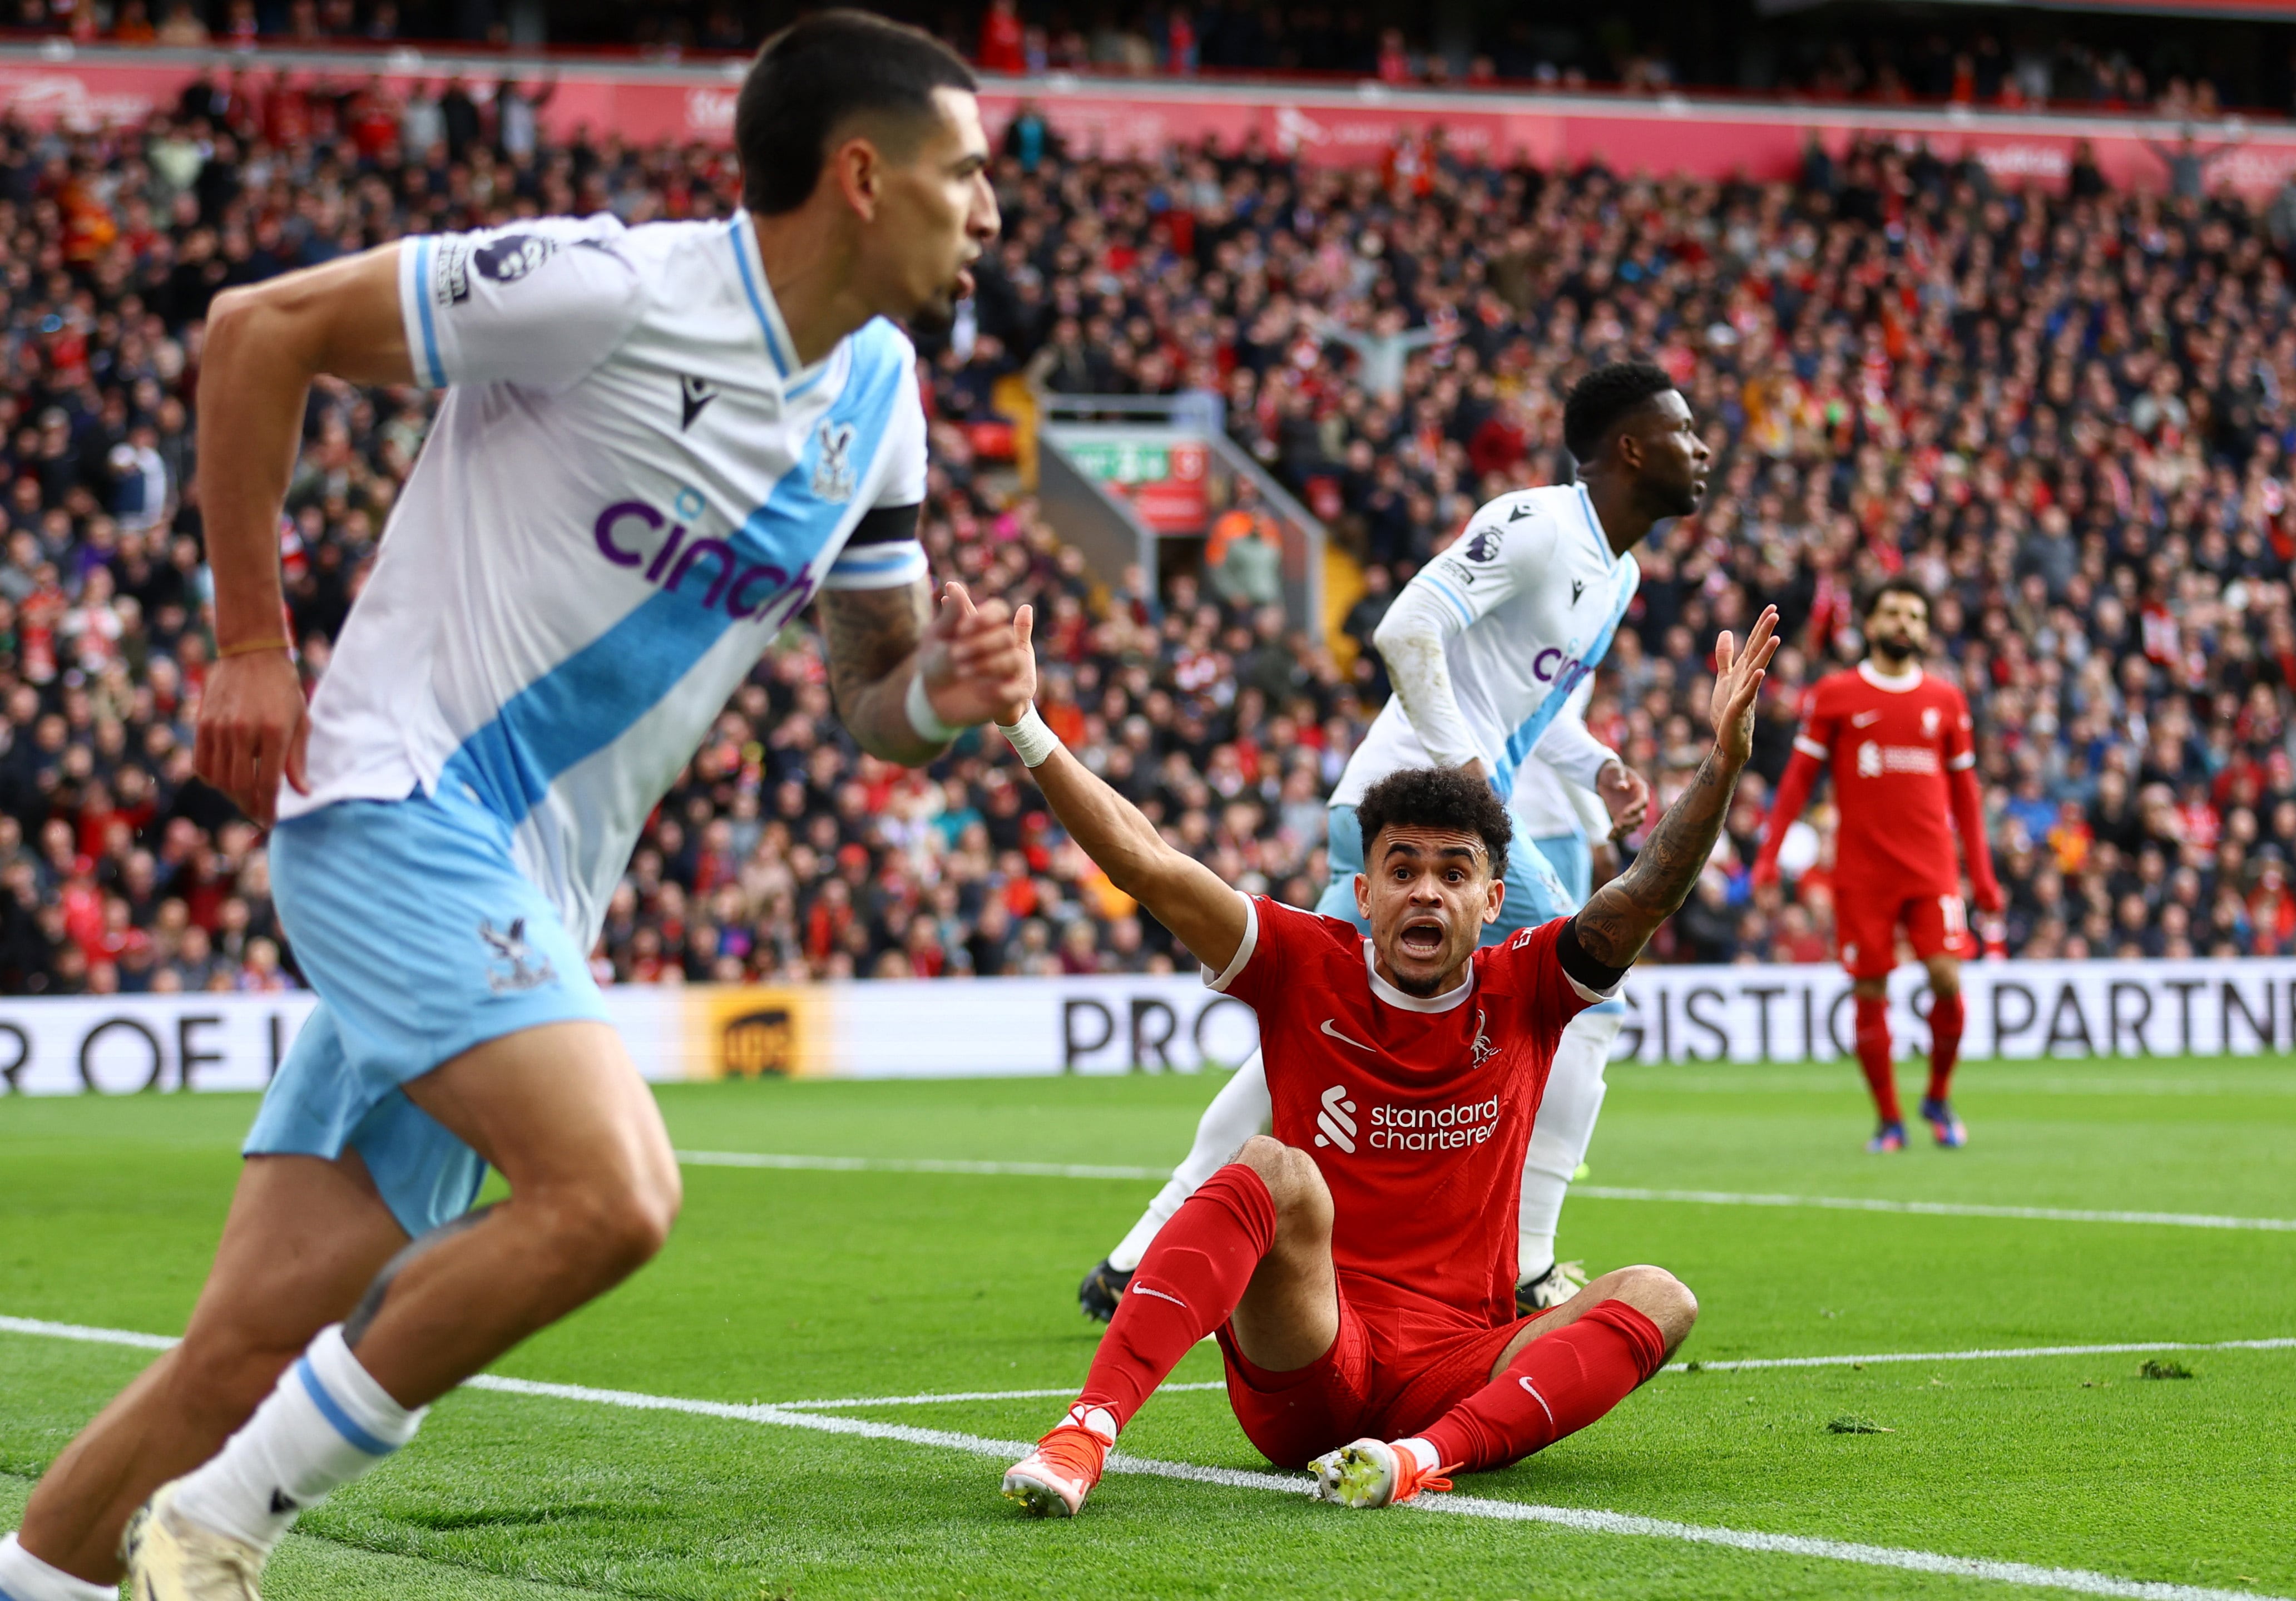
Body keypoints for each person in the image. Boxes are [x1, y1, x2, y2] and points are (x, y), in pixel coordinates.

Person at [0, 14, 1017, 1601]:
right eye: (967, 173)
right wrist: (252, 646)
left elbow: (877, 701)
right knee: (613, 1194)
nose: (993, 213)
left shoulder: (881, 400)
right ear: (863, 176)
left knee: (242, 1346)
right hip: (398, 807)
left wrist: (946, 692)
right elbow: (259, 326)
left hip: (526, 898)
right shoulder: (614, 290)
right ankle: (222, 1523)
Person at [990, 596, 1780, 1515]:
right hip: (1316, 1354)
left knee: (1661, 1295)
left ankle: (1415, 1460)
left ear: (1493, 901)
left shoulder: (1529, 983)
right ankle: (1083, 1432)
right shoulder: (1299, 962)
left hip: (1459, 1367)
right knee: (1271, 1166)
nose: (1426, 893)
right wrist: (1025, 724)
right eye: (1402, 870)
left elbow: (1647, 891)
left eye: (1454, 872)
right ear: (1364, 894)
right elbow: (1146, 862)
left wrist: (1723, 763)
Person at [1077, 362, 1705, 1324]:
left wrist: (1596, 767)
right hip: (1421, 810)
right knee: (1593, 992)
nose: (1701, 449)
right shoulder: (1538, 526)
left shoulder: (1617, 573)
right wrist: (1466, 773)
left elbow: (1527, 704)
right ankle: (1528, 1260)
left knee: (1310, 1024)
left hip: (1398, 803)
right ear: (1630, 447)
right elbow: (1405, 628)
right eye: (1683, 432)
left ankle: (1139, 1253)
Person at [1751, 576, 2001, 1152]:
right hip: (1863, 872)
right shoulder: (1837, 694)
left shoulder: (1946, 700)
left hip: (1932, 868)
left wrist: (1983, 876)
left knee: (1947, 977)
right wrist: (1768, 856)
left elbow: (1967, 797)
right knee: (1870, 988)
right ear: (1870, 623)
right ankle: (1890, 1119)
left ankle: (1938, 1096)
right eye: (1893, 613)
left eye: (1915, 616)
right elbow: (1797, 782)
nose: (1903, 624)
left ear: (1926, 630)